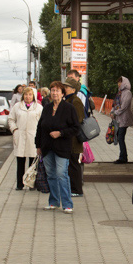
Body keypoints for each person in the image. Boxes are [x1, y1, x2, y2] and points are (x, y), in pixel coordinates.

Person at [35, 81, 80, 213]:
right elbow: (40, 127)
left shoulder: (69, 108)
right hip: (47, 147)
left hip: (62, 147)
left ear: (62, 93)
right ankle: (54, 202)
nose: (54, 93)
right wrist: (38, 145)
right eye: (52, 90)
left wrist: (60, 133)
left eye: (57, 91)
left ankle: (67, 204)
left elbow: (76, 128)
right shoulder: (47, 108)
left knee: (61, 174)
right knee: (51, 175)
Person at [8, 86, 43, 190]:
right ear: (23, 96)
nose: (28, 97)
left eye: (30, 94)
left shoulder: (39, 108)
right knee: (20, 161)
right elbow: (11, 119)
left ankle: (31, 183)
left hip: (33, 137)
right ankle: (19, 184)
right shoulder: (17, 106)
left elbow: (43, 123)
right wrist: (14, 130)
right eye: (26, 95)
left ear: (34, 96)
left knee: (33, 163)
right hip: (21, 136)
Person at [63, 78, 86, 197]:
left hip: (74, 139)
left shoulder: (75, 101)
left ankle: (77, 190)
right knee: (70, 164)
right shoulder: (68, 100)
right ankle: (72, 188)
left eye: (66, 87)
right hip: (69, 138)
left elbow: (79, 119)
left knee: (74, 164)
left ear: (72, 89)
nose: (64, 89)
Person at [110, 76, 132, 164]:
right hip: (118, 119)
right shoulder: (119, 93)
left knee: (120, 137)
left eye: (120, 82)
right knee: (119, 137)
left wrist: (115, 113)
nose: (118, 84)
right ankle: (123, 156)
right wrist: (112, 112)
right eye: (118, 82)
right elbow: (114, 104)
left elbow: (124, 107)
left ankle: (123, 157)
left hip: (124, 119)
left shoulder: (127, 93)